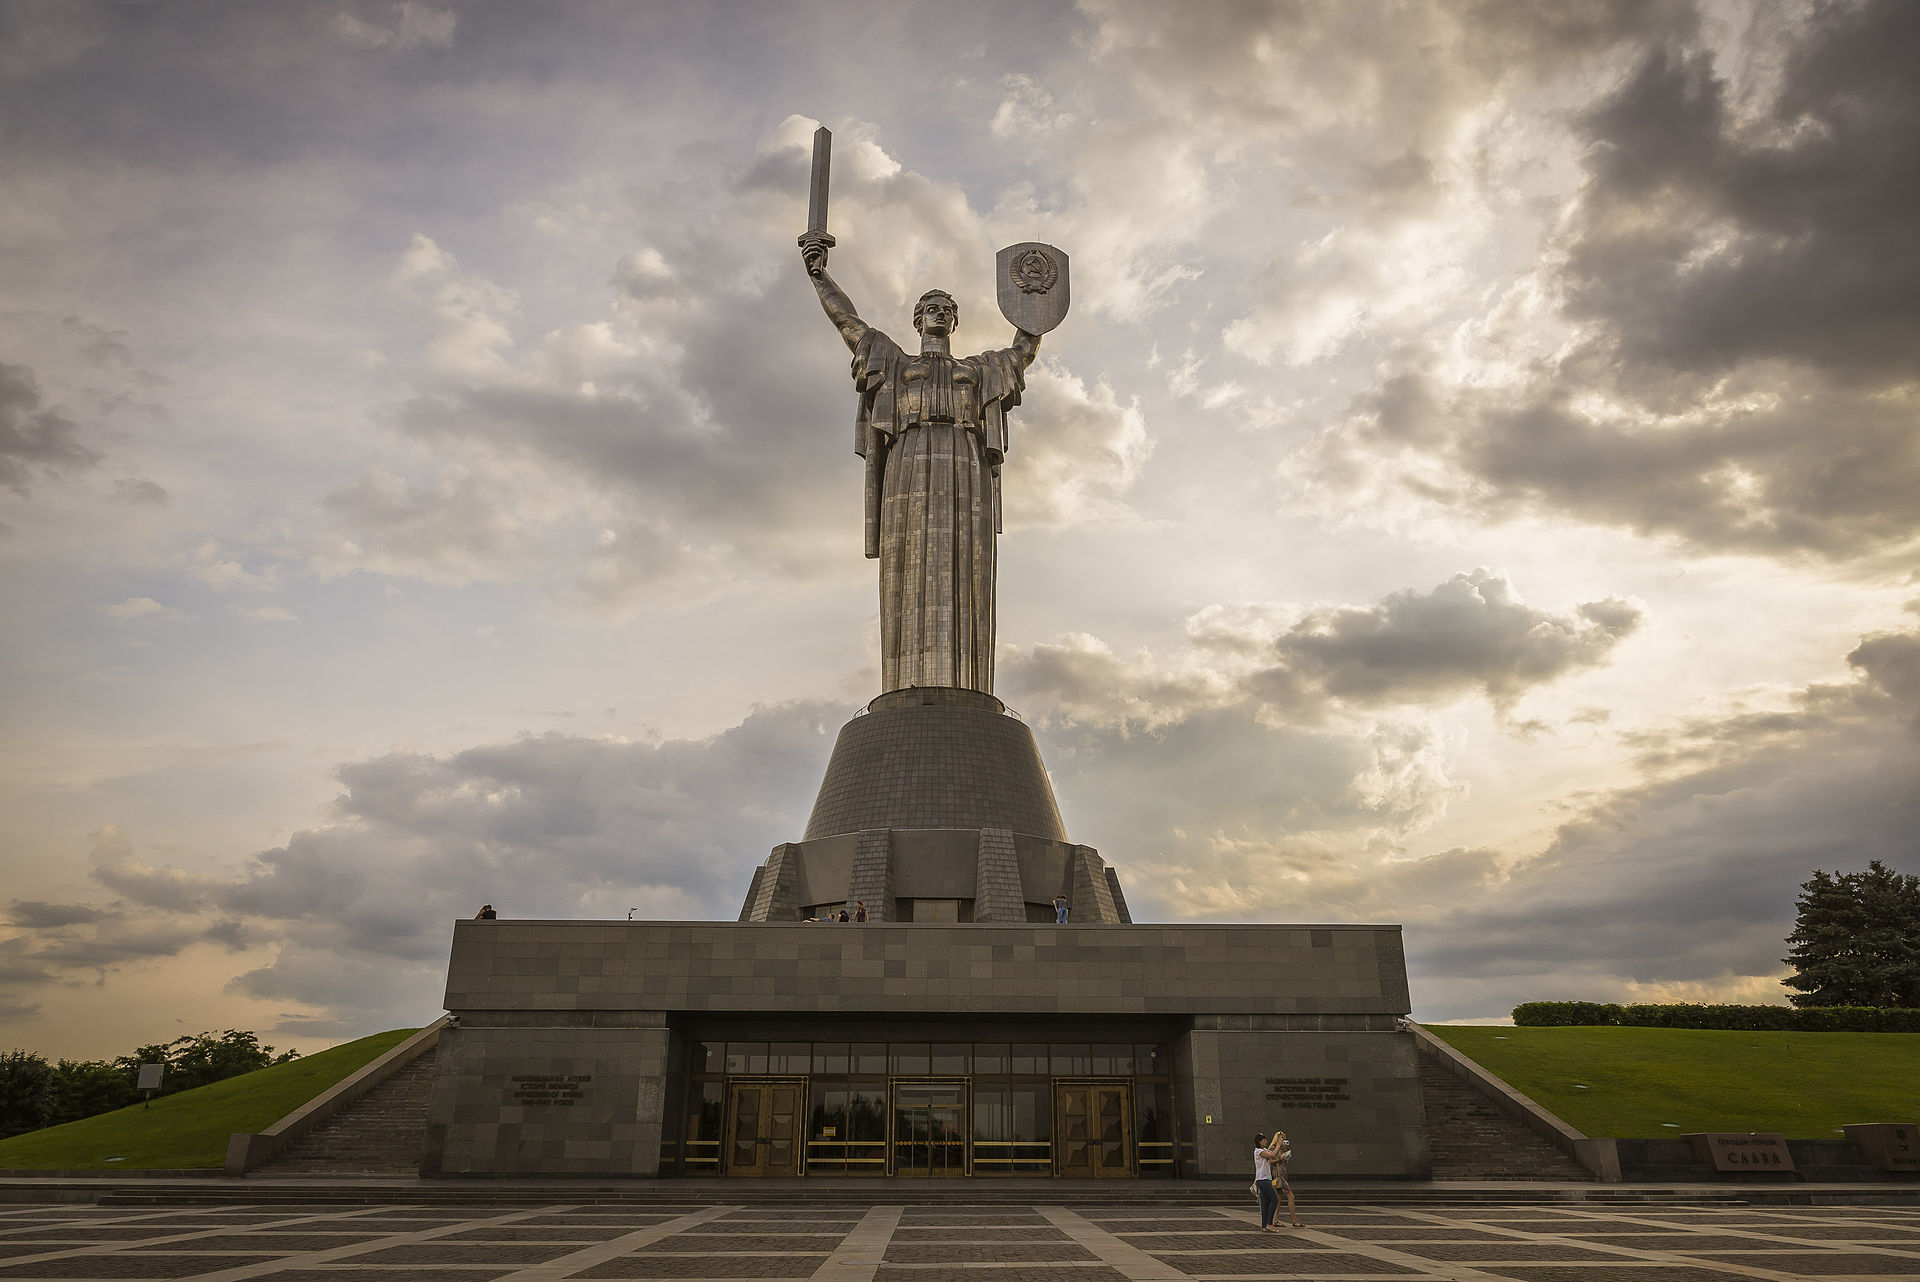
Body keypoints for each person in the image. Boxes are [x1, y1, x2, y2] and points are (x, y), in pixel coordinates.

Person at [800, 236, 1041, 696]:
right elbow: (847, 323)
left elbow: (1023, 351)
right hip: (909, 462)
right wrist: (819, 275)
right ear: (917, 319)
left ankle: (968, 683)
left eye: (948, 309)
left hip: (964, 461)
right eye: (932, 307)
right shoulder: (894, 362)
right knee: (907, 562)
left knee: (967, 560)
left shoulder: (979, 368)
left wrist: (1034, 307)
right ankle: (907, 682)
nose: (941, 313)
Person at [1270, 1128, 1302, 1228]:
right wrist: (1280, 1159)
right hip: (1278, 1175)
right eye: (1282, 1139)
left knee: (1279, 1198)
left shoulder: (1281, 1149)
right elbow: (1271, 1161)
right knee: (1290, 1195)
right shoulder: (1273, 1148)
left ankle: (1274, 1220)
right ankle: (1294, 1220)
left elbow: (1282, 1161)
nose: (1284, 1141)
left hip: (1282, 1174)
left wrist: (1285, 1156)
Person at [1252, 1132, 1284, 1231]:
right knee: (1274, 1199)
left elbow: (1272, 1155)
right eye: (1264, 1140)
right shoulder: (1258, 1151)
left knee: (1265, 1202)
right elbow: (1273, 1154)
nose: (1266, 1141)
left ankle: (1264, 1226)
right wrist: (1278, 1144)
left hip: (1264, 1179)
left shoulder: (1264, 1150)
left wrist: (1277, 1139)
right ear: (1259, 1142)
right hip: (1263, 1179)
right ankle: (1269, 1224)